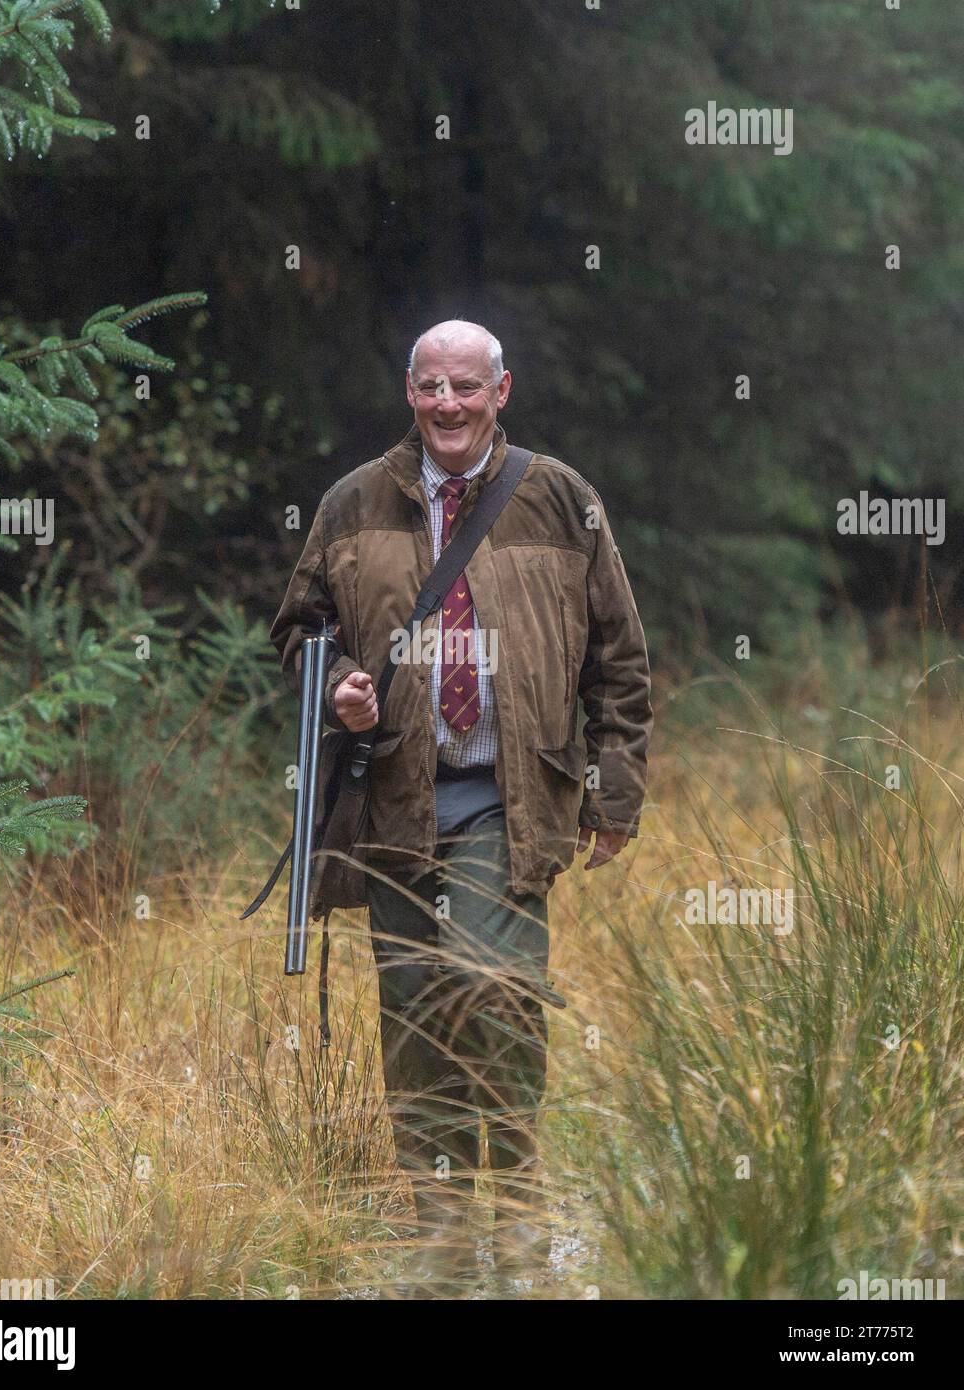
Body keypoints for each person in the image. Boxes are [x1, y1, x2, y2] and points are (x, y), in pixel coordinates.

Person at [270, 319, 652, 1296]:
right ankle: (441, 1244)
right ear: (408, 390)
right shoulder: (353, 502)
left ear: (500, 391)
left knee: (494, 989)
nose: (447, 404)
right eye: (430, 386)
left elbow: (617, 654)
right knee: (413, 1015)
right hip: (392, 802)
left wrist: (614, 790)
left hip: (509, 802)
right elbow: (299, 629)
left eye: (465, 387)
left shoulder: (558, 497)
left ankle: (516, 1214)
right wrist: (342, 679)